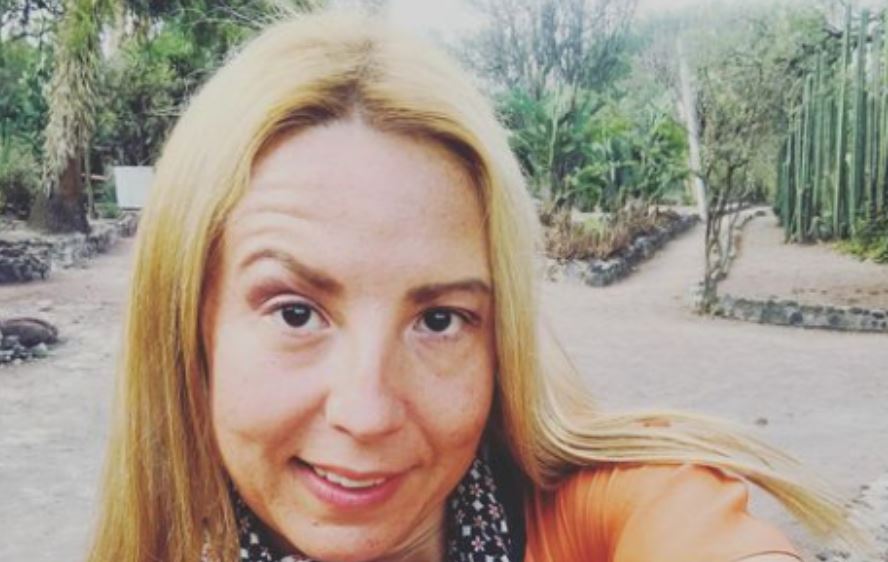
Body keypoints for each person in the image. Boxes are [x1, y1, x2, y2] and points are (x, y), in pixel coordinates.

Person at [86, 10, 860, 562]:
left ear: (500, 339)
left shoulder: (600, 518)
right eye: (296, 313)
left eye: (440, 320)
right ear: (190, 326)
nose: (367, 413)